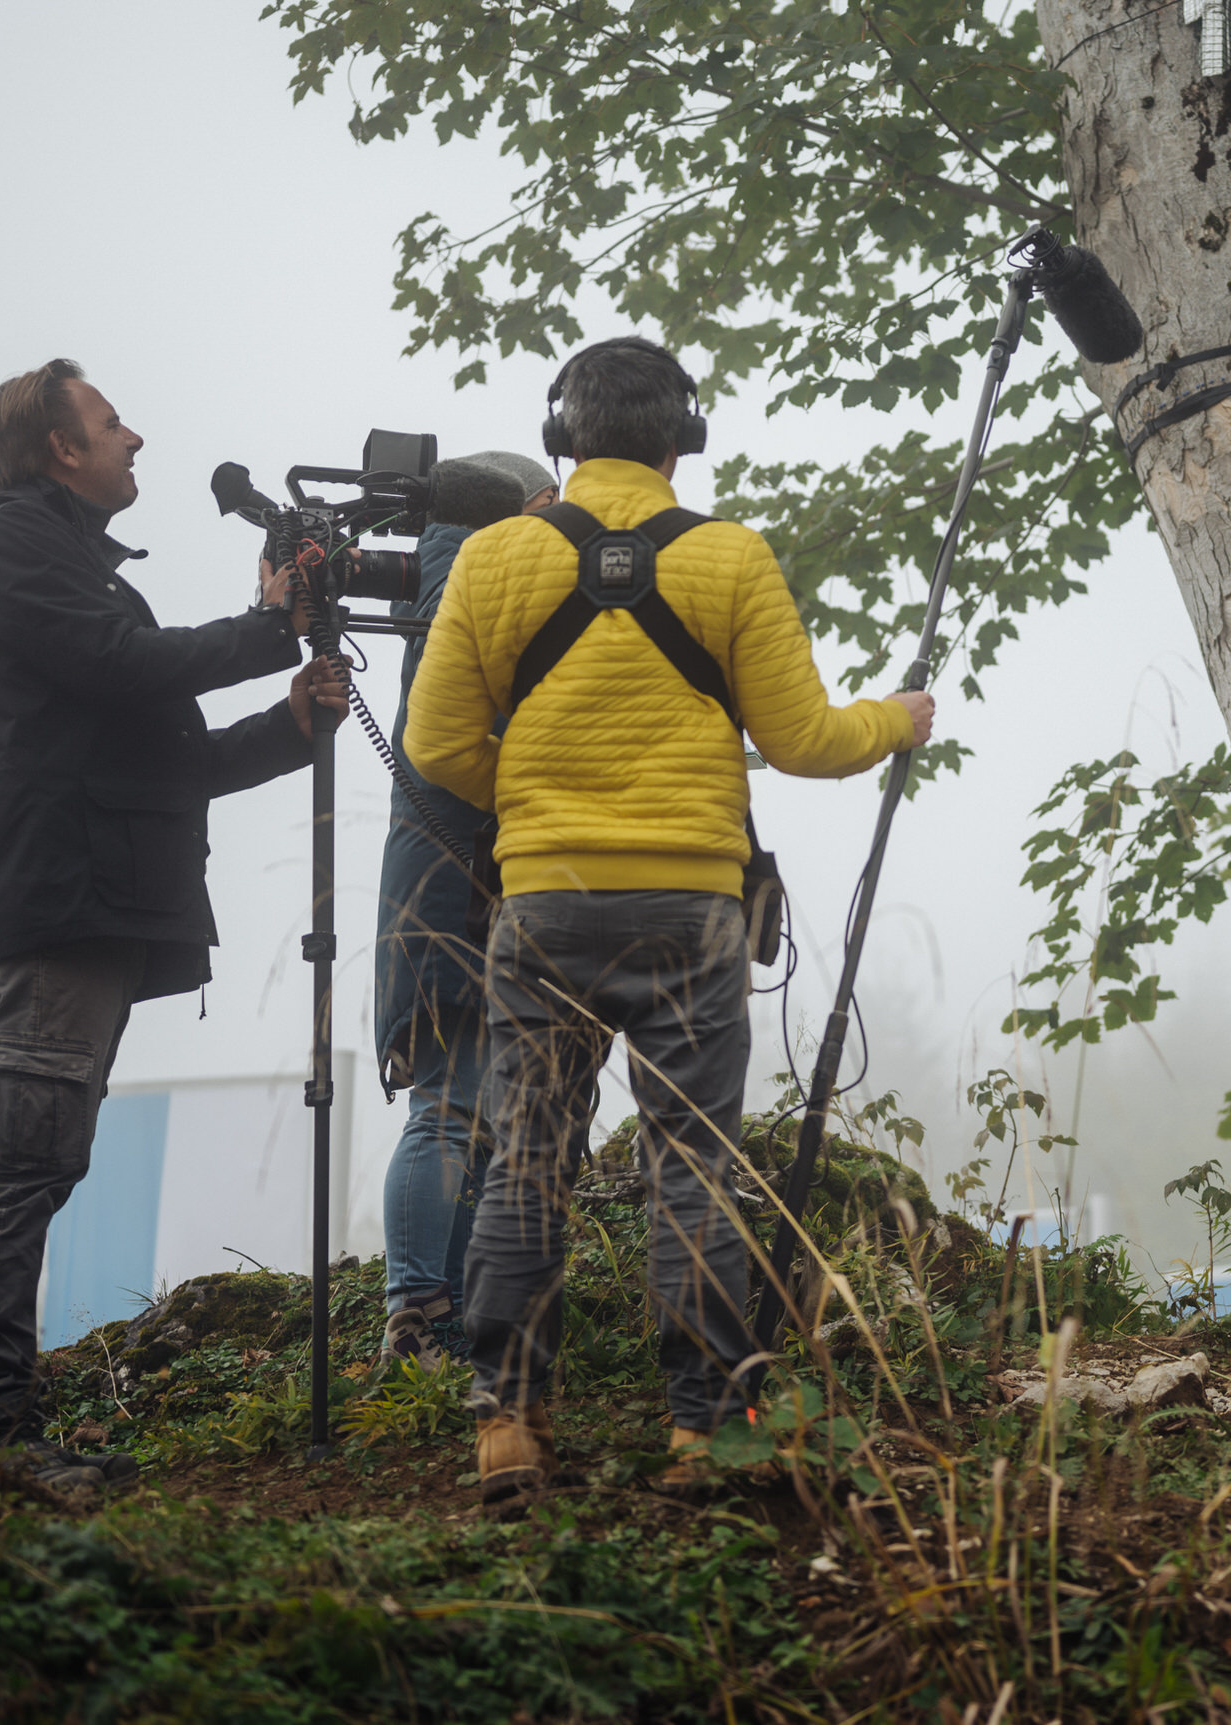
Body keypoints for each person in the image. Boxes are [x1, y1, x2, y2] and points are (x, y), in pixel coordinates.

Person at [406, 335, 935, 1517]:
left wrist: (540, 808)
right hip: (692, 910)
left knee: (526, 1159)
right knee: (693, 1164)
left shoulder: (492, 561)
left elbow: (439, 748)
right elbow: (802, 742)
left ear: (562, 433)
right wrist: (897, 718)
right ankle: (702, 1433)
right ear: (681, 436)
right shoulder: (730, 558)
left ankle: (508, 1424)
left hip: (541, 903)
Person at [0, 358, 349, 1491]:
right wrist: (271, 624)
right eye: (112, 424)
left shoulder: (71, 566)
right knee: (24, 1160)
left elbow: (171, 759)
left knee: (40, 1159)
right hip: (57, 901)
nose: (136, 440)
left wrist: (288, 722)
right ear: (58, 447)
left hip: (87, 901)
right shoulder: (13, 547)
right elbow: (125, 670)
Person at [370, 449, 557, 1367]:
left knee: (468, 1114)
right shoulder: (473, 591)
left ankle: (445, 1311)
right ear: (523, 509)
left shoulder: (448, 584)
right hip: (456, 885)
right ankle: (416, 1310)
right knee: (447, 1107)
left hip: (457, 880)